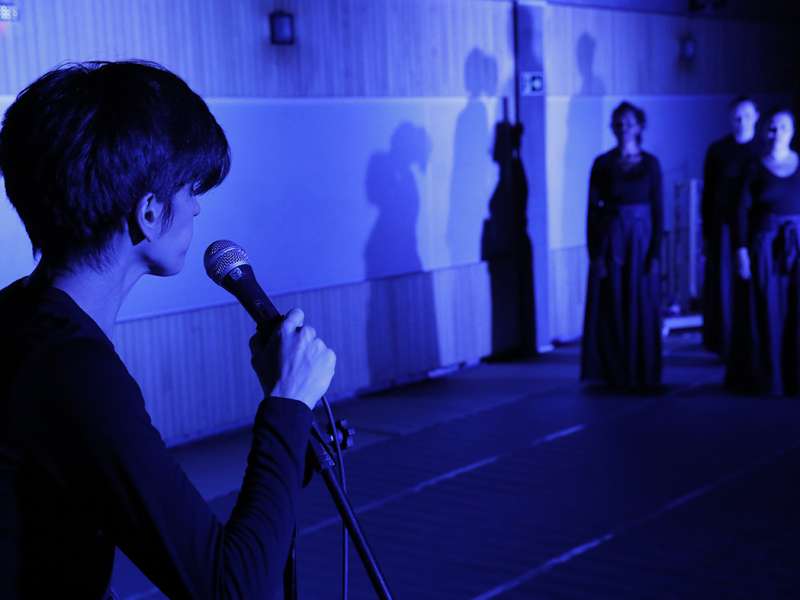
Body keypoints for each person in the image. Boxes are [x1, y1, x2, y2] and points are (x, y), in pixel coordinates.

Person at [0, 61, 336, 598]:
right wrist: (289, 403)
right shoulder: (72, 371)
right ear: (150, 214)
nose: (198, 207)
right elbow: (233, 588)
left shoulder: (19, 321)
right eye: (190, 189)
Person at [581, 101, 663, 390]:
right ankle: (614, 371)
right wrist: (594, 253)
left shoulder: (651, 164)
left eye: (628, 123)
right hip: (612, 237)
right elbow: (592, 211)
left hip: (641, 238)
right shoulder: (602, 163)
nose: (623, 128)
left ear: (640, 127)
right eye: (618, 123)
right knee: (613, 302)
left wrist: (654, 253)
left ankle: (642, 370)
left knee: (641, 303)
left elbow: (659, 209)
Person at [729, 107, 800, 395]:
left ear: (792, 132)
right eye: (772, 128)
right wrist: (742, 251)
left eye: (783, 127)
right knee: (767, 310)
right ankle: (769, 378)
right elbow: (741, 211)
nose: (776, 133)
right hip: (765, 245)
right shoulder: (754, 167)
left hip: (796, 244)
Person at [701, 96, 760, 358]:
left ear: (756, 118)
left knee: (754, 282)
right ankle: (724, 341)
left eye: (747, 116)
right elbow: (708, 193)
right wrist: (706, 232)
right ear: (730, 119)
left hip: (755, 225)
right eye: (736, 116)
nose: (741, 121)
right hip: (722, 226)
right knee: (724, 284)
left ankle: (754, 340)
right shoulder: (717, 150)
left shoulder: (761, 149)